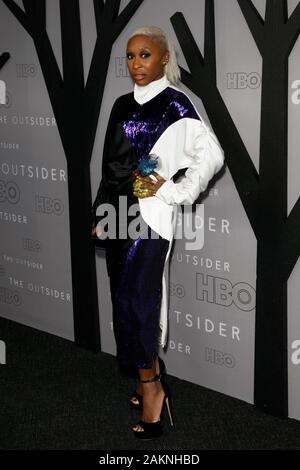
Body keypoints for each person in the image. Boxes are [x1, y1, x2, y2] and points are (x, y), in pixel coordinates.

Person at [91, 25, 224, 439]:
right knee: (124, 299)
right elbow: (109, 167)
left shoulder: (175, 104)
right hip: (118, 214)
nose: (136, 64)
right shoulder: (119, 104)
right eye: (130, 57)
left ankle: (153, 390)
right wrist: (101, 211)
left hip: (149, 216)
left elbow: (212, 155)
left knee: (139, 302)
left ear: (164, 58)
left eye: (144, 55)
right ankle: (150, 372)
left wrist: (175, 190)